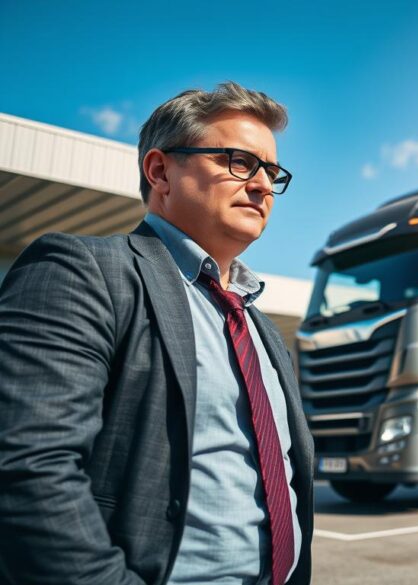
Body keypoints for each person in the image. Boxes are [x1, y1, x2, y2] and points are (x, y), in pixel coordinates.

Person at [0, 82, 314, 585]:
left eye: (272, 173)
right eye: (239, 162)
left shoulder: (264, 331)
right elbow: (29, 469)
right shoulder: (82, 272)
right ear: (160, 171)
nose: (261, 185)